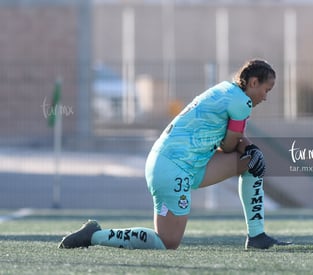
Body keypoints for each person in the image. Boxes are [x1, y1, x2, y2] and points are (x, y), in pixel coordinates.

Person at [58, 59, 291, 250]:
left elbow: (232, 143)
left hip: (183, 164)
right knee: (167, 242)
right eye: (266, 90)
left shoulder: (227, 90)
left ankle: (257, 235)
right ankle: (95, 236)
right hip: (173, 168)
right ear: (253, 82)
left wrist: (249, 148)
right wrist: (247, 146)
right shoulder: (242, 102)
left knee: (253, 162)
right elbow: (229, 146)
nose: (266, 96)